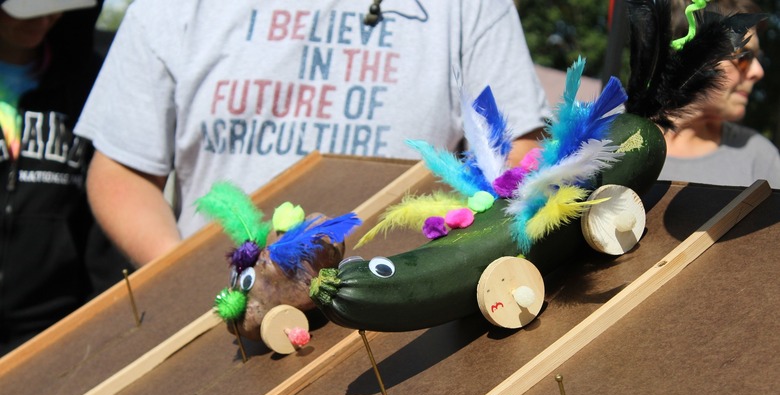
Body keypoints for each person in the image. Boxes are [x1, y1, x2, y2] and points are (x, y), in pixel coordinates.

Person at [75, 0, 552, 267]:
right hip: (225, 326)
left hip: (405, 325)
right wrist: (185, 278)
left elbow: (517, 151)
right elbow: (121, 171)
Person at [0, 0, 132, 355]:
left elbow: (104, 218)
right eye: (26, 9)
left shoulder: (89, 81)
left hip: (51, 331)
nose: (44, 18)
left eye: (55, 6)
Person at [659, 0, 780, 188]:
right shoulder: (611, 143)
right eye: (743, 57)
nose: (758, 72)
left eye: (758, 58)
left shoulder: (759, 157)